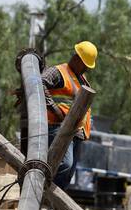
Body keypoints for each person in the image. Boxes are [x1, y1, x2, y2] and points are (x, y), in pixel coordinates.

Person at [41, 41, 96, 189]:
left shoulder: (82, 79)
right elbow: (39, 82)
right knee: (65, 164)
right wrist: (55, 110)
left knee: (69, 173)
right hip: (57, 127)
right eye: (85, 65)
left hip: (76, 133)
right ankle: (44, 193)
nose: (86, 69)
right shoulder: (59, 72)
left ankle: (52, 200)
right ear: (77, 58)